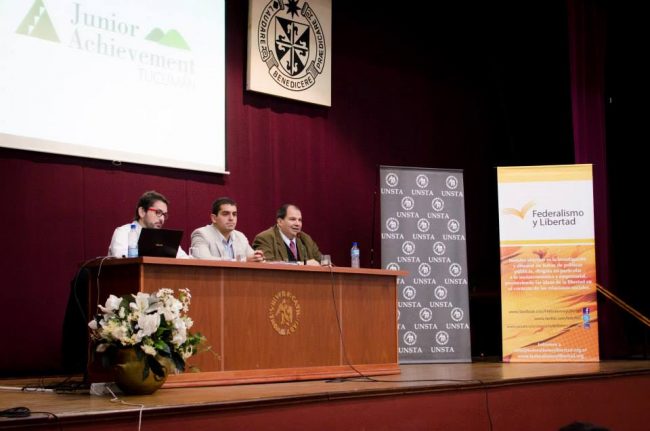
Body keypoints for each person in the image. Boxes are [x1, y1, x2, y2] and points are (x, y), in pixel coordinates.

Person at [108, 190, 188, 258]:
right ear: (142, 212)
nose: (162, 219)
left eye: (164, 215)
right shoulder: (123, 232)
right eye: (158, 212)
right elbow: (122, 261)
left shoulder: (164, 239)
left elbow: (186, 260)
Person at [190, 197, 265, 262]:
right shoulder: (201, 234)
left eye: (234, 214)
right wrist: (242, 261)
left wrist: (257, 258)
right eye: (225, 214)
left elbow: (251, 258)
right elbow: (202, 261)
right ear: (214, 218)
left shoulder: (240, 236)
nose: (231, 218)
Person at [253, 204, 321, 265]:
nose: (297, 224)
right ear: (280, 222)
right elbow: (267, 265)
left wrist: (326, 264)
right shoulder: (265, 238)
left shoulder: (306, 239)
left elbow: (322, 262)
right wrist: (301, 264)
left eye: (300, 220)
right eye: (292, 219)